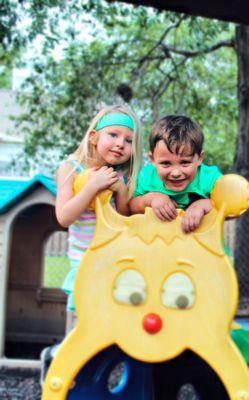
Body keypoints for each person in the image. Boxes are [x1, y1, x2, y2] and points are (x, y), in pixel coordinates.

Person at [56, 104, 143, 313]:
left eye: (129, 140)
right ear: (94, 137)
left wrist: (122, 192)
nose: (120, 144)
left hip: (115, 261)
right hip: (84, 262)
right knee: (86, 318)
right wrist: (92, 186)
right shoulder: (70, 168)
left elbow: (125, 222)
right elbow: (64, 217)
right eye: (113, 135)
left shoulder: (121, 177)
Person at [129, 114, 222, 232]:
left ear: (199, 158)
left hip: (201, 247)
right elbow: (131, 208)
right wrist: (150, 198)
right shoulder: (147, 176)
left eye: (185, 162)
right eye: (166, 163)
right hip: (158, 247)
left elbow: (232, 206)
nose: (176, 172)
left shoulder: (210, 178)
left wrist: (204, 205)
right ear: (152, 159)